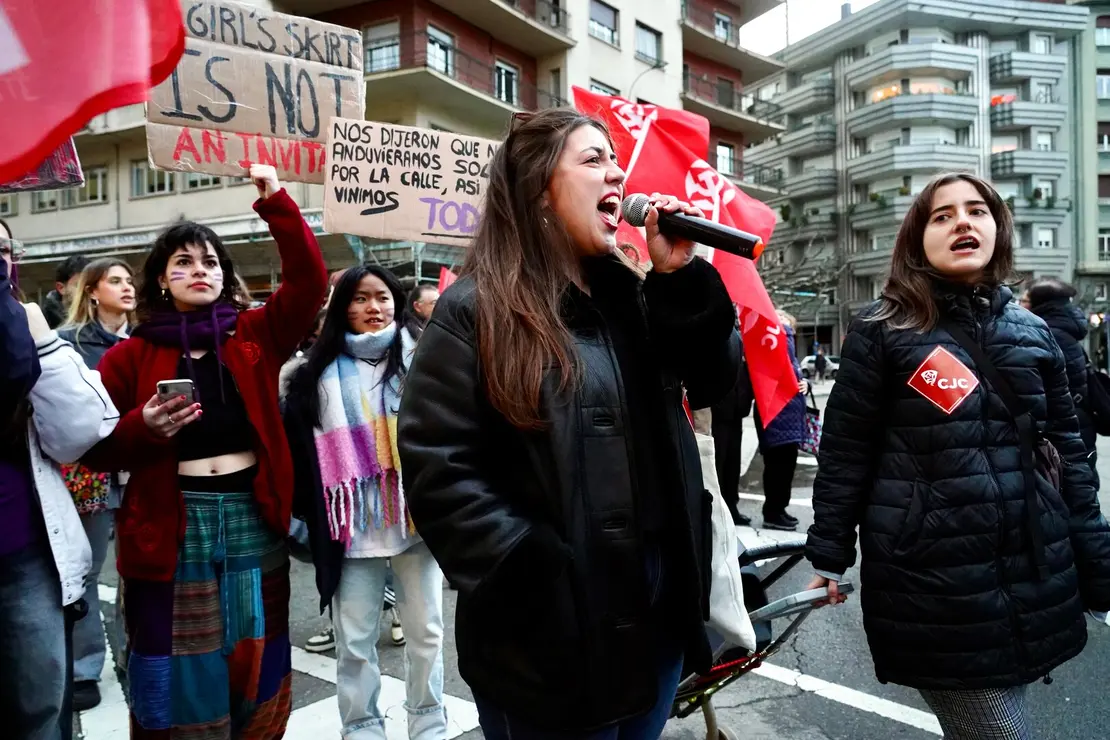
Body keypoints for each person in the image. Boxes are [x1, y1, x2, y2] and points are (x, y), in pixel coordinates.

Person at [398, 109, 741, 737]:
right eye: (592, 159)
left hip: (655, 616)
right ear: (538, 189)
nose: (616, 173)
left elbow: (720, 384)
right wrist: (533, 572)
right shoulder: (475, 309)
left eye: (615, 159)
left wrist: (682, 277)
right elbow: (436, 465)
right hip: (546, 637)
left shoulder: (636, 296)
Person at [806, 172, 1110, 739]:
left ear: (998, 228)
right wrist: (828, 554)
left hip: (1033, 569)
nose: (962, 222)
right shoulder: (882, 331)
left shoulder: (1035, 333)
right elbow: (846, 451)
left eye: (977, 211)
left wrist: (1096, 566)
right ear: (917, 240)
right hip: (933, 579)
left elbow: (1072, 459)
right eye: (942, 216)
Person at [81, 165, 327, 739]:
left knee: (255, 645)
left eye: (211, 262)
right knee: (177, 656)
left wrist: (278, 204)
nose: (200, 271)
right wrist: (142, 428)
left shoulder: (254, 334)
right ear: (162, 281)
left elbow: (311, 283)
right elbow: (93, 449)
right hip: (170, 524)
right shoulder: (127, 358)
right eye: (184, 262)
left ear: (225, 276)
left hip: (250, 514)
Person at [285, 264, 446, 738]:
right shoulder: (309, 374)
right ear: (341, 308)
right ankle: (362, 729)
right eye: (357, 299)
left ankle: (429, 725)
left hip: (416, 521)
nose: (371, 308)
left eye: (380, 297)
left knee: (428, 637)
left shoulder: (427, 361)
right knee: (354, 644)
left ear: (397, 302)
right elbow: (299, 453)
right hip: (349, 527)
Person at [0, 218, 119, 740]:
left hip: (22, 549)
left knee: (42, 709)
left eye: (1, 249)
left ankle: (88, 667)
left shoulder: (25, 329)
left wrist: (40, 343)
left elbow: (82, 431)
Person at [55, 258, 135, 711]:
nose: (127, 288)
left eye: (130, 281)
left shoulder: (145, 339)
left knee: (139, 568)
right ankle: (85, 666)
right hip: (89, 472)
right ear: (92, 291)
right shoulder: (69, 344)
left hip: (141, 468)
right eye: (116, 281)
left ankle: (132, 654)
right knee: (84, 571)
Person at [1022, 278, 1098, 481]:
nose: (1019, 305)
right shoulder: (1064, 332)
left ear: (1040, 304)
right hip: (1079, 425)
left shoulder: (1048, 335)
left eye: (1024, 300)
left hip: (1064, 431)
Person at [753, 310, 808, 531]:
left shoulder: (789, 353)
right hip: (777, 416)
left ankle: (779, 509)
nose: (783, 324)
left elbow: (795, 375)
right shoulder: (775, 341)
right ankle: (773, 512)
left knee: (786, 468)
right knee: (778, 467)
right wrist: (781, 328)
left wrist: (805, 383)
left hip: (789, 419)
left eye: (788, 323)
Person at [711, 316, 754, 526]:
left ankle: (731, 505)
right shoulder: (715, 339)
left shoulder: (742, 339)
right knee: (719, 462)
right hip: (719, 412)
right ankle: (719, 510)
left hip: (737, 411)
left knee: (732, 464)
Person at [42, 254, 91, 329]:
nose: (87, 290)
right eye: (79, 285)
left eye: (91, 285)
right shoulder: (43, 321)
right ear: (61, 288)